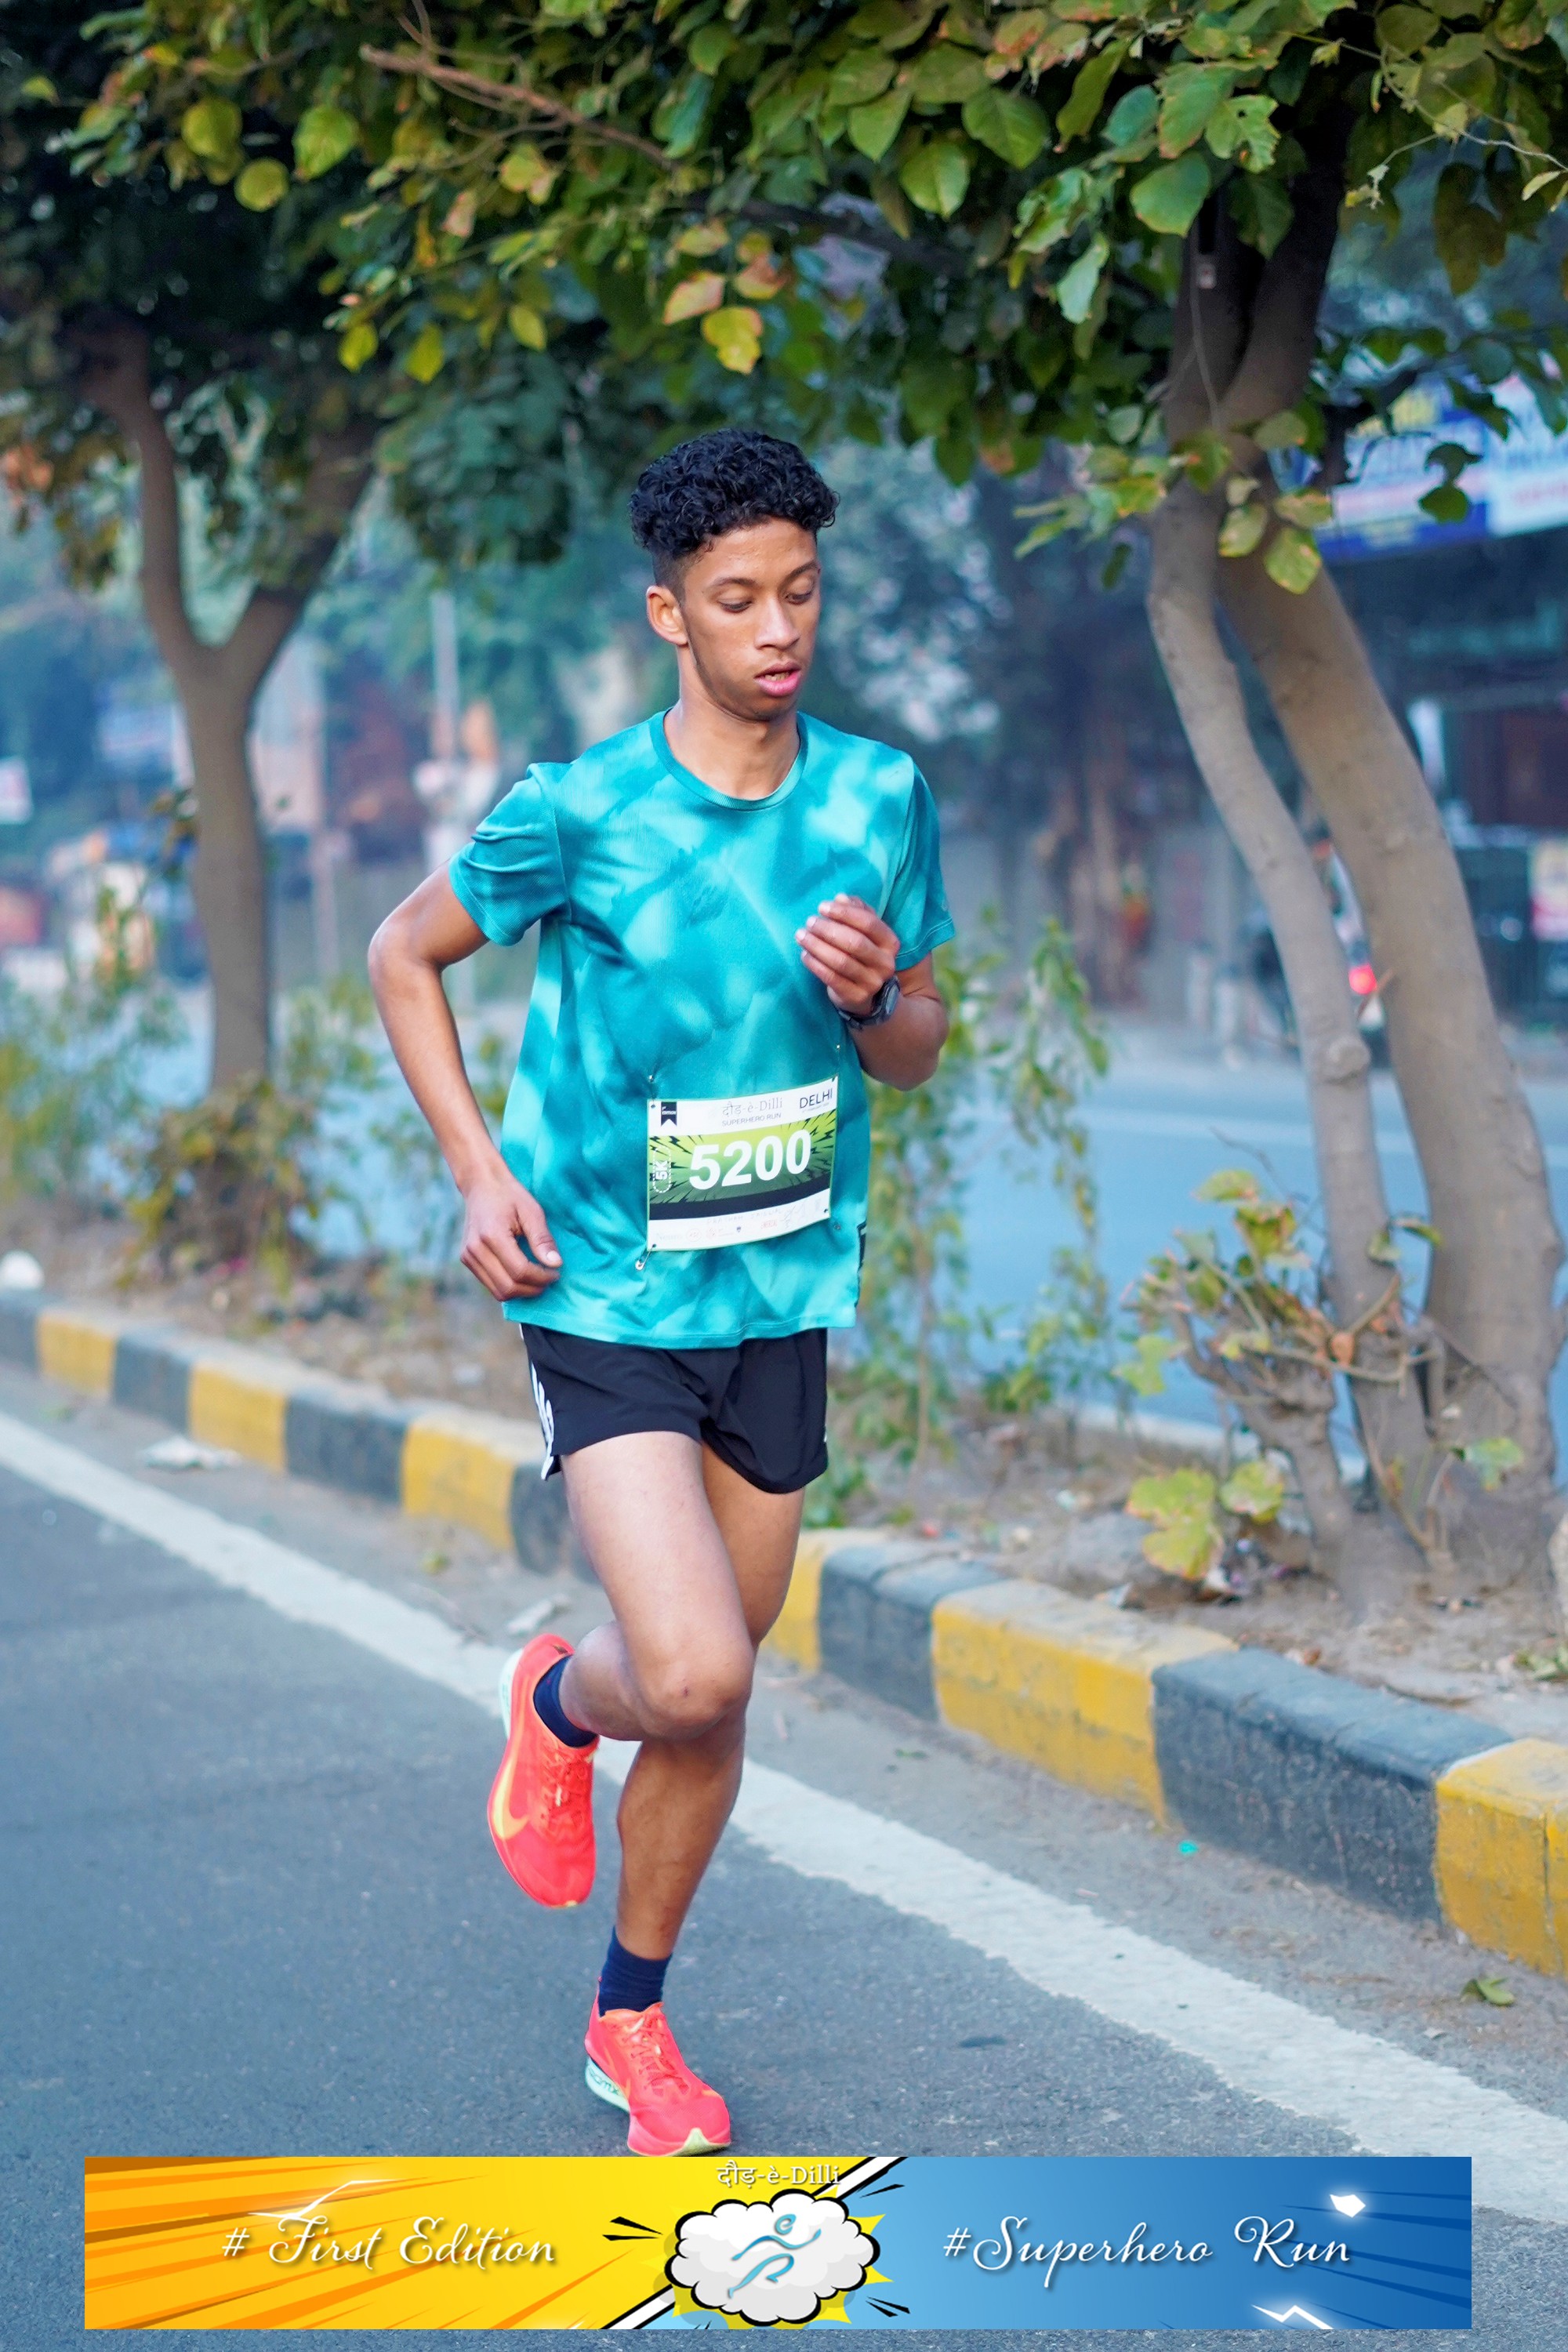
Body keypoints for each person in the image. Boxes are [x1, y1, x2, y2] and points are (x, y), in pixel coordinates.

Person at [369, 428, 953, 2157]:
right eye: (738, 599)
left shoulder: (877, 798)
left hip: (778, 1295)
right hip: (605, 1294)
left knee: (720, 1687)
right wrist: (479, 1171)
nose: (778, 629)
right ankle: (563, 1699)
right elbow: (404, 955)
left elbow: (918, 1045)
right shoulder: (582, 809)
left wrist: (876, 1000)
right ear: (669, 615)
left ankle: (630, 2018)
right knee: (690, 1675)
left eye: (801, 593)